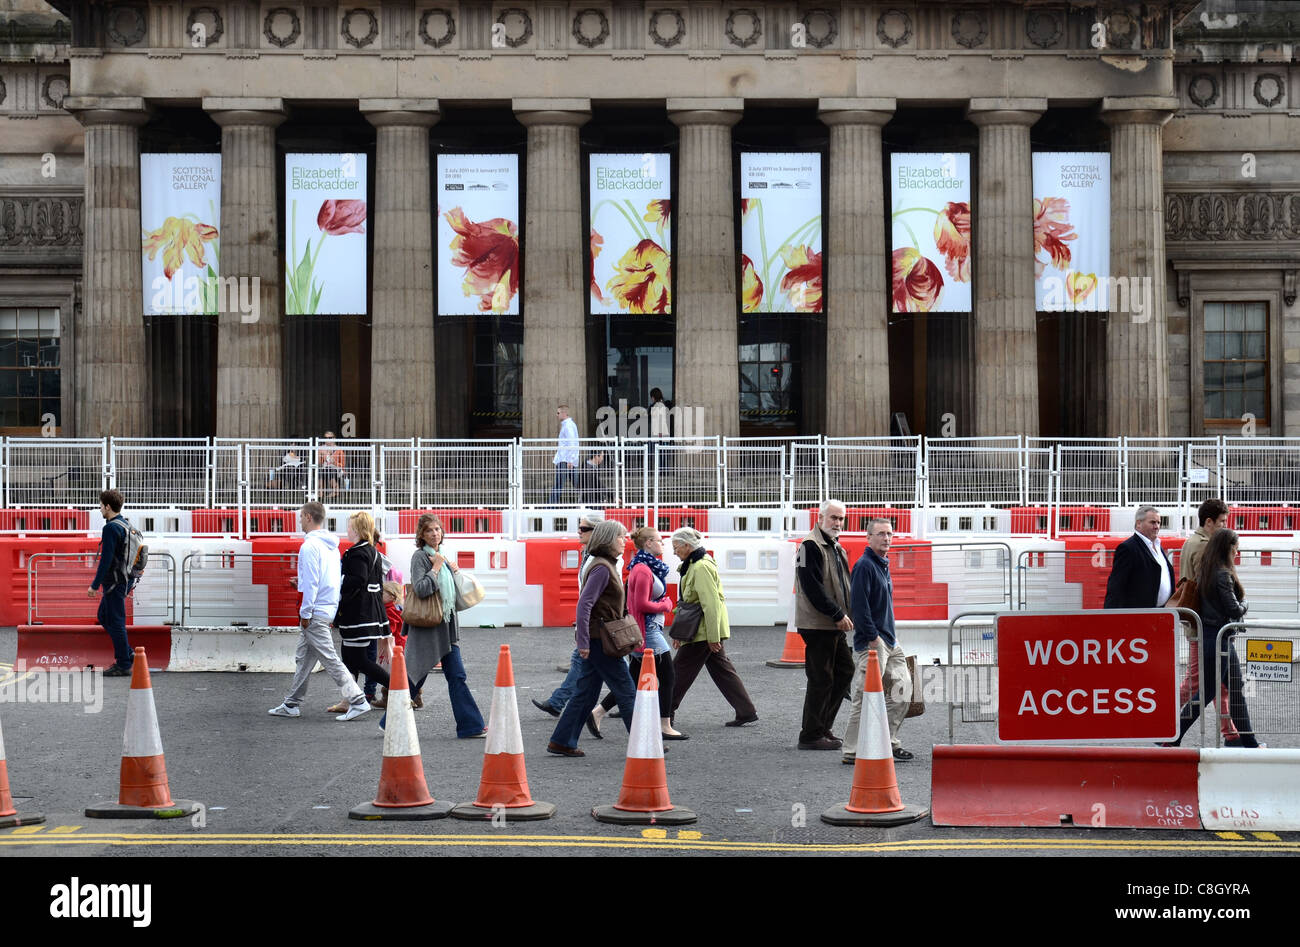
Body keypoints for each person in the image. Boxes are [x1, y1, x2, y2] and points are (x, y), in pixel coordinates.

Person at [269, 502, 370, 720]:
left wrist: (305, 614)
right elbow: (328, 580)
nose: (299, 521)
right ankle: (291, 703)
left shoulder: (309, 547)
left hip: (314, 611)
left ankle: (357, 700)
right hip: (327, 607)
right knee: (304, 658)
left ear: (307, 516)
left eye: (300, 517)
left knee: (329, 658)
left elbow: (313, 582)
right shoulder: (331, 547)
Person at [546, 520, 639, 757]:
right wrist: (584, 641)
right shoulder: (601, 568)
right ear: (609, 539)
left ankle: (562, 740)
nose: (624, 540)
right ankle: (644, 743)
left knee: (585, 693)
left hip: (600, 638)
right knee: (626, 690)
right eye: (621, 536)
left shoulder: (604, 565)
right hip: (602, 641)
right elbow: (584, 605)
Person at [590, 526, 686, 740]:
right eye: (659, 540)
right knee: (668, 677)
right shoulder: (642, 569)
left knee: (631, 680)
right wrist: (665, 604)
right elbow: (641, 604)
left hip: (645, 631)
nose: (663, 544)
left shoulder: (643, 567)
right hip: (649, 632)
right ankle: (664, 725)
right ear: (649, 543)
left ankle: (597, 713)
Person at [395, 513, 486, 738]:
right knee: (415, 676)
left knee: (456, 676)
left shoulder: (441, 556)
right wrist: (435, 569)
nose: (435, 534)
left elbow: (450, 595)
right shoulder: (421, 558)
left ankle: (470, 726)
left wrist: (453, 572)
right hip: (428, 626)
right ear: (422, 535)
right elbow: (422, 588)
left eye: (437, 529)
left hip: (444, 625)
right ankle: (391, 721)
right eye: (429, 531)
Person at [1168, 528, 1259, 748]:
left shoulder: (1206, 571)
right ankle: (1172, 736)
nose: (1237, 552)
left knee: (1229, 691)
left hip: (1213, 638)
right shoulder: (1223, 574)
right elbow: (1234, 610)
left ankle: (1249, 742)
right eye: (1235, 547)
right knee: (1212, 693)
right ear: (1227, 547)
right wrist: (1247, 604)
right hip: (1221, 640)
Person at [668, 527, 758, 728]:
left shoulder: (699, 567)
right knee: (722, 671)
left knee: (678, 672)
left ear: (687, 546)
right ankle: (746, 711)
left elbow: (711, 604)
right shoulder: (696, 564)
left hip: (702, 632)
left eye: (676, 548)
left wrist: (712, 636)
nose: (674, 552)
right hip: (702, 629)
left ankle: (664, 713)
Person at [842, 518, 912, 763]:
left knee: (902, 690)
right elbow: (858, 607)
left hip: (890, 640)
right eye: (881, 534)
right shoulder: (864, 566)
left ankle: (887, 742)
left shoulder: (882, 563)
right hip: (874, 641)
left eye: (890, 534)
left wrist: (888, 636)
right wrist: (872, 637)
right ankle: (852, 750)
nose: (886, 538)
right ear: (868, 538)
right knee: (864, 697)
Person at [531, 510, 610, 717]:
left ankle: (635, 705)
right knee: (585, 664)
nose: (579, 532)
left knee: (621, 674)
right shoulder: (587, 554)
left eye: (583, 529)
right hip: (594, 621)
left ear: (597, 532)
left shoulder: (602, 559)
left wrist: (585, 620)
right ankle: (560, 704)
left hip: (601, 621)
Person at [793, 500, 855, 750]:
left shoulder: (834, 545)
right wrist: (838, 613)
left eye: (841, 519)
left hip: (831, 622)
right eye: (833, 518)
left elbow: (842, 585)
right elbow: (811, 586)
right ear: (820, 518)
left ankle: (820, 726)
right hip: (819, 623)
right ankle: (810, 734)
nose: (838, 523)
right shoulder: (810, 545)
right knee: (822, 677)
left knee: (844, 671)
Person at [1176, 498, 1238, 742]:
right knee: (1196, 683)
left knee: (1214, 684)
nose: (1226, 526)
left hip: (1199, 624)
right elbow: (1213, 589)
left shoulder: (1191, 542)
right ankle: (1163, 716)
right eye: (1222, 521)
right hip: (1207, 626)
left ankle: (1230, 733)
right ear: (1209, 522)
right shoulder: (1205, 547)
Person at [327, 513, 391, 714]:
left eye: (350, 527)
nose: (347, 530)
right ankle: (348, 700)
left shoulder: (356, 552)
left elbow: (358, 579)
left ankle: (400, 688)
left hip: (358, 614)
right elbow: (377, 585)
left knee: (359, 660)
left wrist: (335, 583)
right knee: (349, 659)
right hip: (368, 613)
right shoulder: (372, 551)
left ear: (357, 529)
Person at [85, 488, 134, 677]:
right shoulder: (125, 524)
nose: (99, 509)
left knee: (116, 621)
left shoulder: (111, 528)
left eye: (100, 506)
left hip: (114, 582)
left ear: (107, 506)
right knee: (104, 616)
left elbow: (105, 560)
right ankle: (127, 653)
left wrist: (94, 585)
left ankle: (123, 663)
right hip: (124, 579)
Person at [1103, 505, 1174, 609]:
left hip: (1161, 612)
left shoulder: (1158, 546)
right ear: (1138, 524)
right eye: (1152, 522)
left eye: (1159, 522)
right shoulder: (1128, 548)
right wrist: (1110, 616)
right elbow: (1116, 586)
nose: (1157, 526)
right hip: (1140, 615)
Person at [548, 403, 579, 503]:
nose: (556, 415)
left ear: (564, 413)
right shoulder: (568, 425)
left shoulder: (568, 426)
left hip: (565, 460)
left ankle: (550, 506)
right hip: (567, 459)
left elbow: (571, 443)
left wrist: (570, 459)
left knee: (558, 484)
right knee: (576, 483)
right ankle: (587, 500)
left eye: (558, 413)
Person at [317, 432, 345, 500]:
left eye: (330, 438)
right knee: (324, 470)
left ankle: (333, 491)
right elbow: (319, 463)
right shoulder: (321, 448)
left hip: (336, 469)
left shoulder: (339, 449)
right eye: (326, 438)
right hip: (324, 468)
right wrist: (321, 456)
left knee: (329, 470)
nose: (328, 439)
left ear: (334, 438)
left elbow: (342, 464)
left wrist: (334, 462)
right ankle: (322, 491)